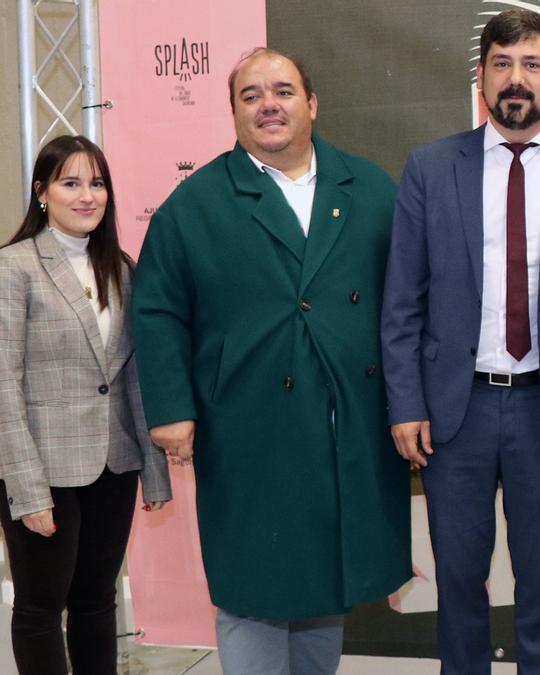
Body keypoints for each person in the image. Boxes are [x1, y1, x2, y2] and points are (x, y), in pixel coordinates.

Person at [131, 48, 411, 674]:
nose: (269, 105)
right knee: (252, 581)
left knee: (323, 576)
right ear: (232, 113)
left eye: (283, 91)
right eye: (251, 95)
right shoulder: (195, 205)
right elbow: (156, 311)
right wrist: (172, 410)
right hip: (245, 426)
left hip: (347, 420)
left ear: (312, 104)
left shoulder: (368, 188)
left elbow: (409, 302)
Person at [381, 9, 540, 673]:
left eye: (532, 65)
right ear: (481, 76)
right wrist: (405, 402)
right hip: (455, 414)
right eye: (503, 64)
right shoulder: (431, 167)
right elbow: (403, 299)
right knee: (458, 582)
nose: (517, 79)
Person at [0, 135, 171, 675]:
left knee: (97, 601)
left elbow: (135, 378)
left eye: (96, 183)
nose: (87, 195)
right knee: (40, 607)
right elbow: (3, 384)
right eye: (71, 183)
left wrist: (154, 472)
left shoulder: (119, 266)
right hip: (42, 471)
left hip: (113, 464)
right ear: (42, 192)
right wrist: (26, 490)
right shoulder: (14, 267)